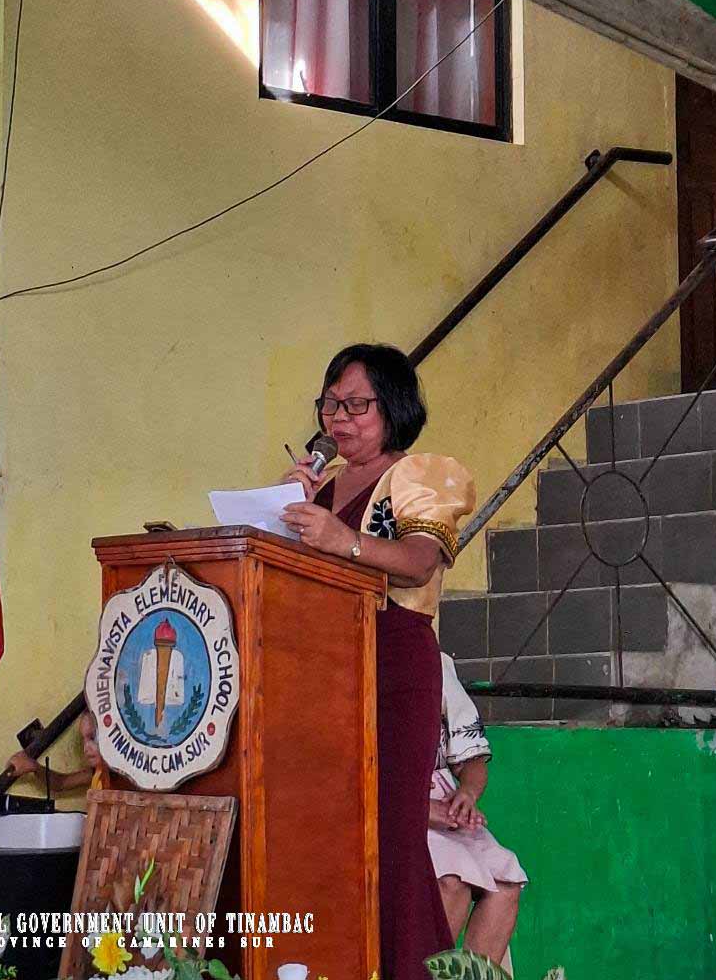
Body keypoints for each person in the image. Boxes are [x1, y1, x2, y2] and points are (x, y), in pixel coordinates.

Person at [280, 343, 475, 980]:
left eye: (356, 404)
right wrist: (280, 513)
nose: (339, 418)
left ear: (392, 408)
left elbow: (419, 562)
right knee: (328, 833)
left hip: (393, 663)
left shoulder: (417, 475)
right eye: (330, 404)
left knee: (390, 837)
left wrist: (344, 539)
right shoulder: (322, 486)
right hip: (321, 668)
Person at [429, 653, 526, 962]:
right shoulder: (356, 657)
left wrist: (467, 794)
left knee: (506, 884)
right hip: (391, 803)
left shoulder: (437, 664)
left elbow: (472, 760)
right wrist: (419, 810)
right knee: (453, 882)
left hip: (444, 800)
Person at [5, 709, 103, 793]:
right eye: (83, 740)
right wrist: (34, 767)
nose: (86, 748)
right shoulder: (98, 772)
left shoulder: (110, 771)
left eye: (92, 738)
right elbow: (61, 783)